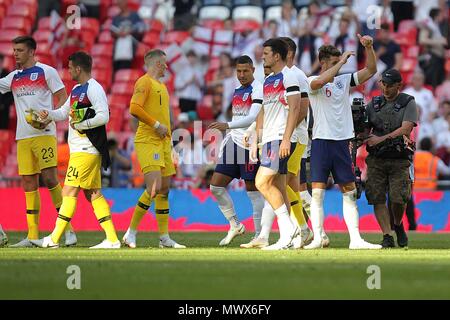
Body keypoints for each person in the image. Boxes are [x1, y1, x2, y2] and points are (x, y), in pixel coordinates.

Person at [31, 51, 120, 249]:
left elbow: (103, 116)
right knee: (93, 194)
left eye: (70, 67)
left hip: (86, 149)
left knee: (69, 191)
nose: (68, 70)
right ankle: (112, 239)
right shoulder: (77, 89)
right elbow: (64, 112)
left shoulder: (94, 89)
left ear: (78, 68)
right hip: (81, 150)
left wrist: (83, 125)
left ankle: (53, 239)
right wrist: (48, 115)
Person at [304, 35, 381, 250]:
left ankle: (356, 240)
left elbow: (371, 70)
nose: (340, 65)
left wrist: (369, 47)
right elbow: (320, 81)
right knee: (317, 192)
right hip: (320, 141)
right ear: (323, 62)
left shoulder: (343, 80)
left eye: (340, 61)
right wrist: (341, 62)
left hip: (342, 142)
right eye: (334, 61)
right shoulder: (311, 81)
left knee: (349, 191)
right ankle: (318, 238)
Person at [0, 36, 76, 248]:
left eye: (20, 50)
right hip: (23, 137)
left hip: (44, 134)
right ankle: (33, 235)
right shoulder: (13, 77)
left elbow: (63, 97)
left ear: (32, 52)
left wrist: (50, 115)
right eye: (14, 50)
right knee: (28, 183)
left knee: (50, 179)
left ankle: (68, 231)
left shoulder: (46, 71)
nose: (15, 53)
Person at [122, 49, 186, 249]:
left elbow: (166, 118)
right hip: (148, 140)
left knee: (164, 191)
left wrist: (170, 143)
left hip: (164, 143)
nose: (167, 66)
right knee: (154, 188)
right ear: (158, 63)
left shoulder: (162, 86)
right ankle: (130, 233)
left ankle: (164, 237)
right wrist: (156, 125)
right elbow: (134, 108)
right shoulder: (144, 82)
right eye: (164, 63)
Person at [207, 55, 264, 246]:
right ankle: (235, 225)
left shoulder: (258, 88)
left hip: (250, 145)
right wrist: (229, 135)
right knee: (215, 186)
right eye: (238, 71)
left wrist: (227, 125)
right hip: (234, 143)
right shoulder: (238, 90)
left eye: (245, 71)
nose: (241, 75)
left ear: (253, 70)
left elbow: (253, 117)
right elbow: (239, 115)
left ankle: (258, 235)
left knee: (253, 191)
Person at [250, 38, 302, 250]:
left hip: (280, 137)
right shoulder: (269, 80)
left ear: (277, 56)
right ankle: (286, 237)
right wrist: (256, 140)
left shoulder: (289, 77)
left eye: (266, 54)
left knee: (261, 182)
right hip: (269, 138)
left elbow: (296, 108)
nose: (263, 57)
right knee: (278, 186)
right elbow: (263, 112)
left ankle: (288, 230)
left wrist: (287, 139)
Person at [364, 68, 418, 248]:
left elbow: (406, 128)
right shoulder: (374, 104)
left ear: (398, 85)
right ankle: (387, 235)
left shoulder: (408, 102)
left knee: (398, 198)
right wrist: (359, 136)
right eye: (383, 84)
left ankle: (398, 224)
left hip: (400, 158)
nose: (385, 89)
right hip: (377, 159)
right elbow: (365, 129)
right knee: (377, 197)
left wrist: (380, 138)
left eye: (390, 86)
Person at [111, 0, 146, 72]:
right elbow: (112, 31)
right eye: (118, 4)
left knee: (125, 69)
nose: (119, 5)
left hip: (132, 46)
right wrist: (119, 33)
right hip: (119, 49)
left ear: (125, 2)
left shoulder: (134, 15)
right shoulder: (116, 18)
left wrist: (130, 31)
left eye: (121, 3)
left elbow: (142, 27)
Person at [0, 54, 13, 129]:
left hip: (3, 111)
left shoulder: (8, 76)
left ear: (2, 62)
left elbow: (12, 95)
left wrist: (3, 105)